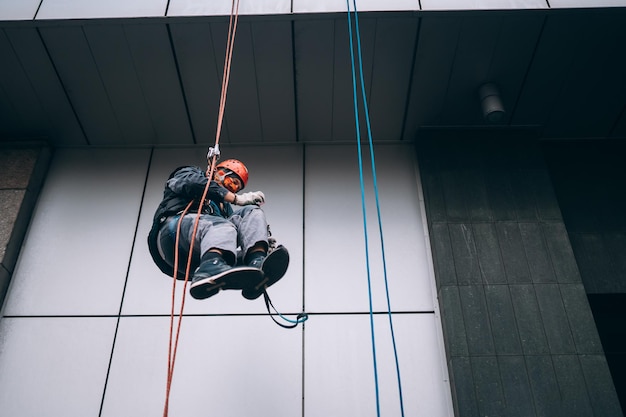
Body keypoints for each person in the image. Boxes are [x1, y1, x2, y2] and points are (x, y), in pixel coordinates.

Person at [147, 158, 288, 300]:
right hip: (175, 236)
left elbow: (232, 234)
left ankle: (257, 262)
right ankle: (211, 265)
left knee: (251, 212)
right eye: (230, 182)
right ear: (218, 173)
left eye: (235, 188)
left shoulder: (225, 209)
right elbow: (192, 183)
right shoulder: (191, 174)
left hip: (200, 251)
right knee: (223, 226)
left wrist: (259, 238)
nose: (231, 188)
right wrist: (236, 199)